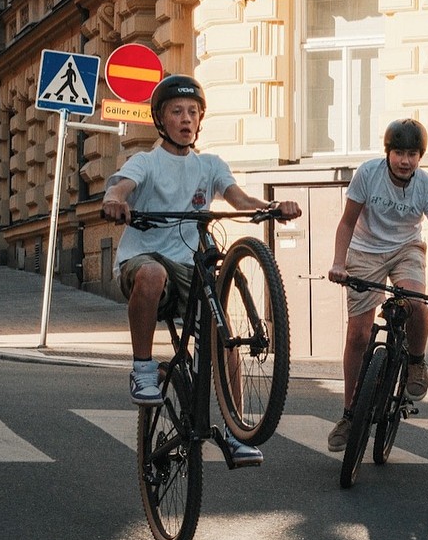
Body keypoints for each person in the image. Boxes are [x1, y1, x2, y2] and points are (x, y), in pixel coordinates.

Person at [101, 73, 301, 415]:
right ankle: (143, 371)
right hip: (145, 259)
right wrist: (115, 201)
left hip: (190, 269)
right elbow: (119, 188)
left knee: (223, 337)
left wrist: (269, 208)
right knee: (151, 273)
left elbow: (239, 199)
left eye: (193, 112)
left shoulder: (209, 165)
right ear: (161, 119)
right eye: (177, 111)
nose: (186, 119)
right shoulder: (146, 162)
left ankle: (237, 425)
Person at [326, 117, 428, 451]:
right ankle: (350, 415)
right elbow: (347, 223)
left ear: (420, 157)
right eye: (399, 153)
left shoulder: (426, 186)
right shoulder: (368, 174)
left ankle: (416, 362)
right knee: (359, 333)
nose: (405, 161)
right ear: (388, 153)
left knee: (417, 305)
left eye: (412, 154)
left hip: (406, 250)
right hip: (365, 251)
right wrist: (338, 262)